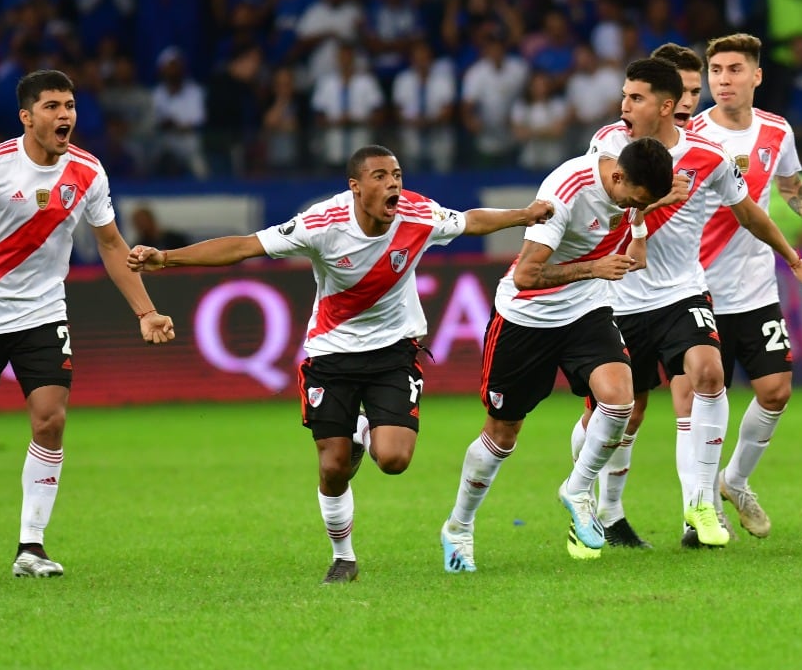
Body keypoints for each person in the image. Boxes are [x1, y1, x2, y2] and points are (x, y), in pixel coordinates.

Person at [127, 145, 552, 584]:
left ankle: (364, 430)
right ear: (355, 187)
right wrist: (166, 258)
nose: (394, 184)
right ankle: (343, 557)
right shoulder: (321, 223)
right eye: (381, 176)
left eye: (397, 174)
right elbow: (244, 246)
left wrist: (523, 215)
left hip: (393, 351)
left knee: (394, 459)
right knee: (333, 467)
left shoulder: (417, 213)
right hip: (331, 354)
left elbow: (470, 221)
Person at [0, 69, 177, 577]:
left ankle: (30, 548)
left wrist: (146, 312)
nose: (65, 116)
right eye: (53, 106)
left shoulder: (87, 171)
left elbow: (109, 244)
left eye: (71, 106)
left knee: (50, 418)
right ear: (27, 117)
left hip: (43, 312)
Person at [575, 56, 802, 550]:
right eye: (625, 97)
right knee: (622, 411)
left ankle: (702, 503)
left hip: (681, 291)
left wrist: (793, 258)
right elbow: (607, 207)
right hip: (618, 295)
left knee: (708, 374)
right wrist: (662, 198)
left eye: (635, 98)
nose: (624, 107)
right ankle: (593, 503)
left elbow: (749, 211)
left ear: (664, 107)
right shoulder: (608, 144)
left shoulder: (707, 156)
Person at [439, 137, 675, 572]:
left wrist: (635, 239)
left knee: (621, 398)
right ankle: (459, 526)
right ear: (617, 177)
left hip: (586, 309)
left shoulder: (631, 186)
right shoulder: (564, 192)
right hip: (526, 318)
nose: (634, 207)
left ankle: (578, 489)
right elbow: (527, 276)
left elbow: (638, 213)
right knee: (502, 435)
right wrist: (595, 267)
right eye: (634, 199)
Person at [686, 33, 802, 544]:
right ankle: (697, 512)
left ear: (756, 76)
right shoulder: (692, 135)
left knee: (776, 390)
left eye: (734, 70)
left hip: (757, 287)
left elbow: (790, 189)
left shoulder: (777, 130)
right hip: (698, 287)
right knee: (698, 398)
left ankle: (734, 481)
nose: (723, 80)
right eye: (715, 70)